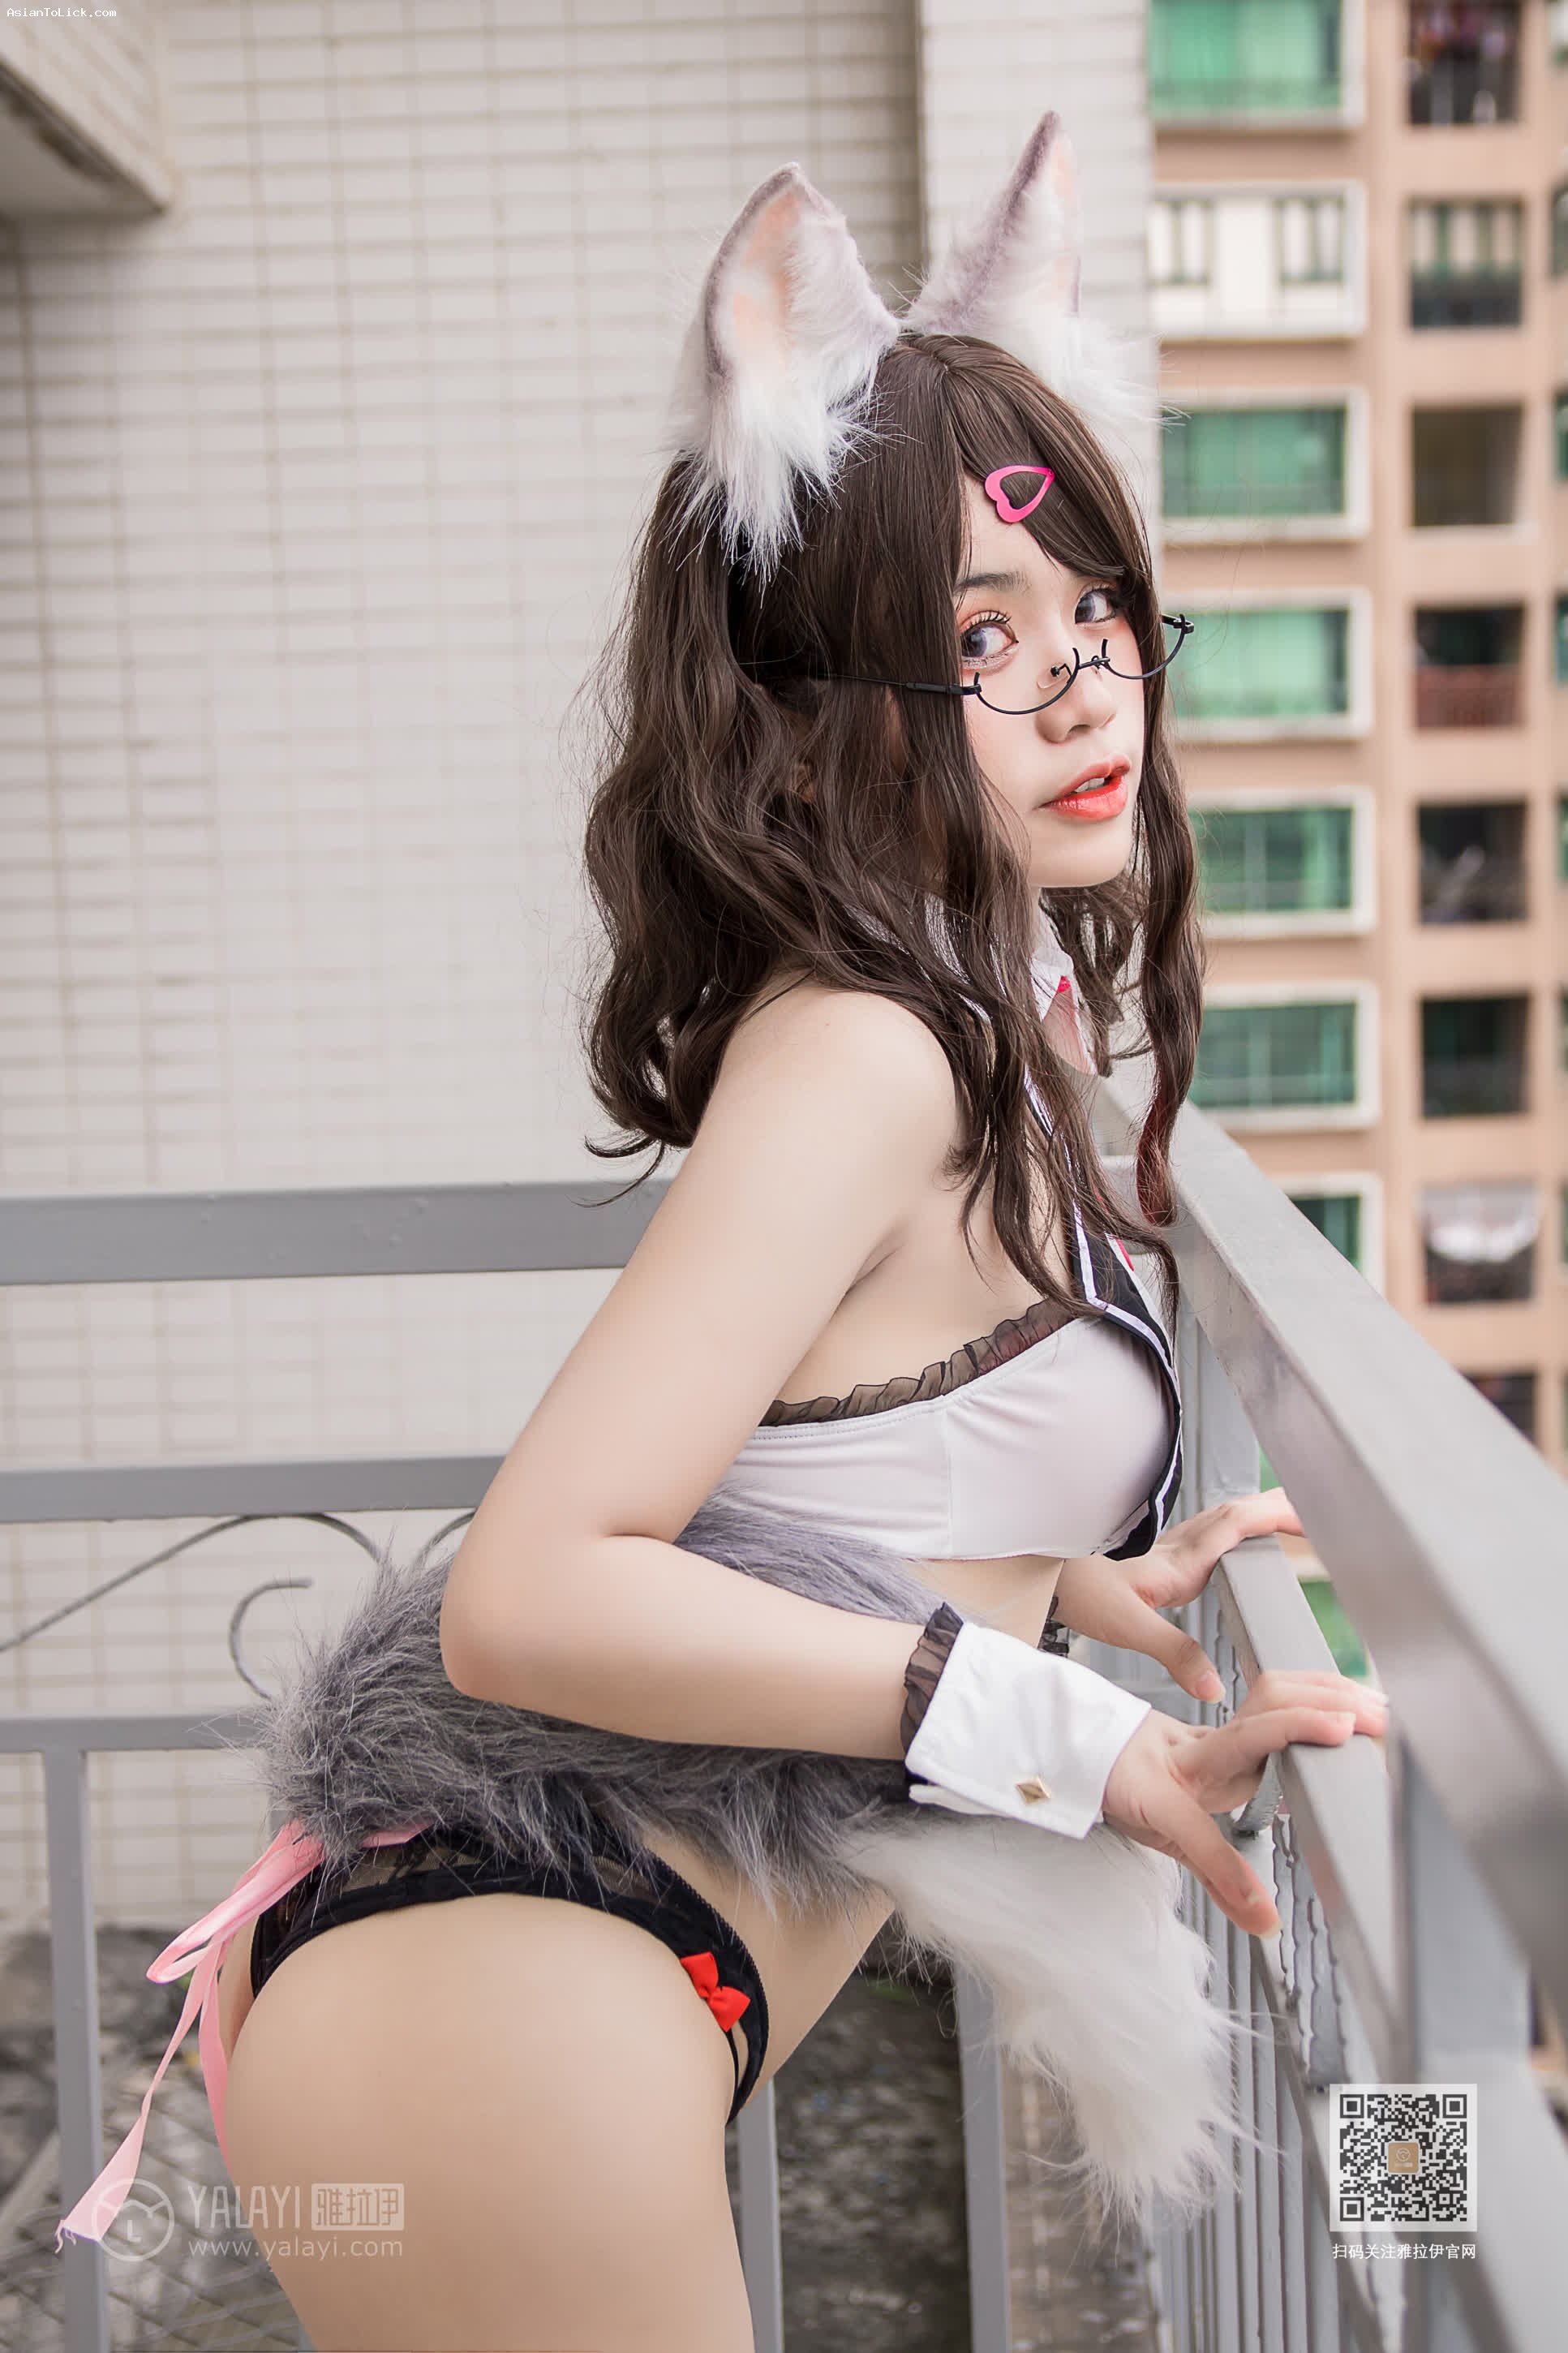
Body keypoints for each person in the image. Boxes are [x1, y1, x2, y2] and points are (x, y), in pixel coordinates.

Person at [58, 114, 1385, 2353]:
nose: (1087, 684)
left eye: (1096, 610)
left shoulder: (962, 1014)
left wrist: (1063, 1573)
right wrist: (1072, 1732)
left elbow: (829, 1438)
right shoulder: (870, 1046)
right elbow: (536, 1591)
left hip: (517, 1989)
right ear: (820, 701)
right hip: (512, 2011)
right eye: (983, 637)